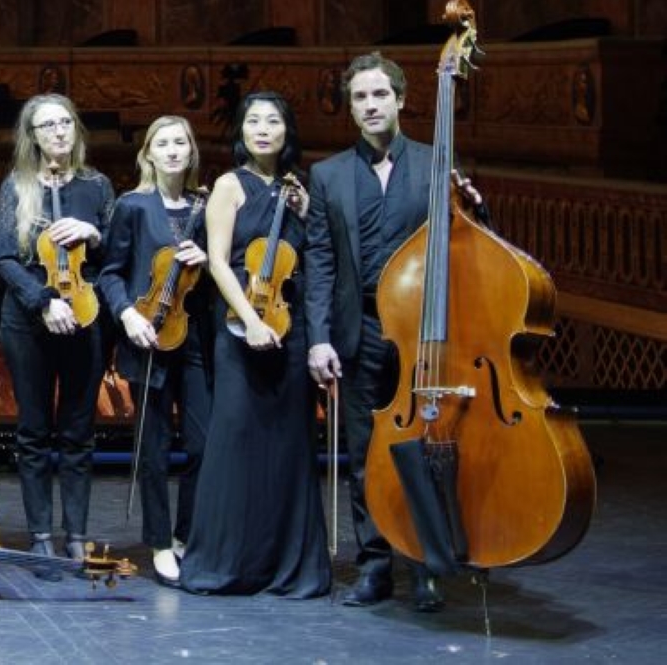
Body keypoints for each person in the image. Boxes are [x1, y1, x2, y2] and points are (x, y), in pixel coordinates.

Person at [305, 51, 480, 613]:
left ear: (402, 99)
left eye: (380, 94)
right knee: (365, 457)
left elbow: (470, 249)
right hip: (359, 332)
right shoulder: (327, 174)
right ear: (350, 107)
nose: (370, 105)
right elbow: (320, 262)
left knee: (423, 452)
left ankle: (425, 566)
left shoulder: (437, 163)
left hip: (424, 336)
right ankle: (375, 564)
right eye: (360, 96)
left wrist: (477, 210)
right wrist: (319, 336)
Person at [179, 93, 330, 598]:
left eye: (273, 121)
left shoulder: (297, 190)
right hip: (241, 327)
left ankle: (288, 566)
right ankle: (226, 563)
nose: (262, 129)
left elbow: (314, 258)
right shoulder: (228, 185)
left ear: (288, 131)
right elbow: (219, 262)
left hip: (291, 327)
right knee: (236, 442)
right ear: (240, 131)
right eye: (253, 121)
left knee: (289, 447)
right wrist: (250, 320)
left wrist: (307, 212)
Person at [0, 92, 115, 559]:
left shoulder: (97, 186)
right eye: (47, 126)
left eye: (65, 122)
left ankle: (77, 535)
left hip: (84, 316)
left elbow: (117, 256)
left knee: (79, 432)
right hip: (28, 321)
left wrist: (94, 233)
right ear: (33, 137)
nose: (59, 131)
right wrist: (43, 301)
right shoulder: (17, 187)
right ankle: (42, 534)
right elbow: (6, 257)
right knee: (34, 430)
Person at [97, 114, 211, 583]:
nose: (171, 150)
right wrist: (127, 314)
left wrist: (209, 257)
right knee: (154, 450)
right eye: (162, 143)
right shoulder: (133, 206)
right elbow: (110, 272)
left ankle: (186, 534)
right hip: (149, 335)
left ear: (190, 151)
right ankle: (161, 542)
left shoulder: (206, 207)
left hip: (197, 338)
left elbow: (226, 268)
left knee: (203, 446)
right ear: (148, 153)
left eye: (179, 142)